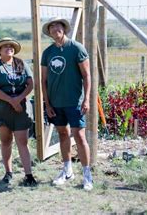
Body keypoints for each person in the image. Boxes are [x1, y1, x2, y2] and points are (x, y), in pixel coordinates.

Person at [40, 17, 93, 191]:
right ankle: (67, 170)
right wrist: (47, 103)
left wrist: (86, 99)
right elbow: (44, 80)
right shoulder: (47, 53)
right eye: (51, 27)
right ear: (49, 32)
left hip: (74, 102)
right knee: (63, 134)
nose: (55, 29)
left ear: (64, 28)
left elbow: (86, 76)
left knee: (79, 136)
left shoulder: (76, 48)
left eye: (58, 26)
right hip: (55, 103)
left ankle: (87, 175)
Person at [0, 37, 37, 186]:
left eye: (11, 46)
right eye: (5, 46)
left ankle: (29, 175)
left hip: (21, 107)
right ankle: (8, 172)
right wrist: (11, 101)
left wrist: (19, 99)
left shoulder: (21, 64)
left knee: (22, 140)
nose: (9, 48)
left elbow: (30, 84)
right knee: (6, 140)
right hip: (1, 107)